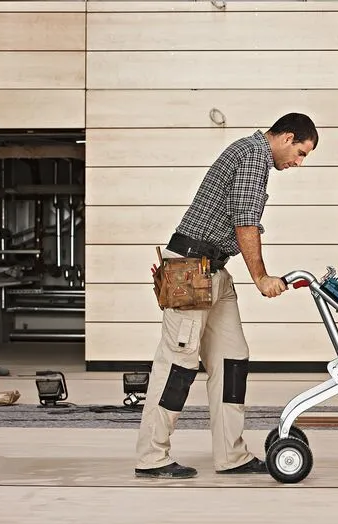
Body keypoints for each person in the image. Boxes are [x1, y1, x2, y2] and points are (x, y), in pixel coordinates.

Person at [134, 113, 319, 478]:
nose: (297, 163)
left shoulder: (253, 156)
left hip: (214, 268)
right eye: (300, 153)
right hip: (190, 269)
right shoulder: (253, 155)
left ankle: (231, 455)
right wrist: (262, 277)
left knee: (233, 359)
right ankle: (151, 457)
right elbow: (245, 222)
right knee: (178, 363)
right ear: (285, 137)